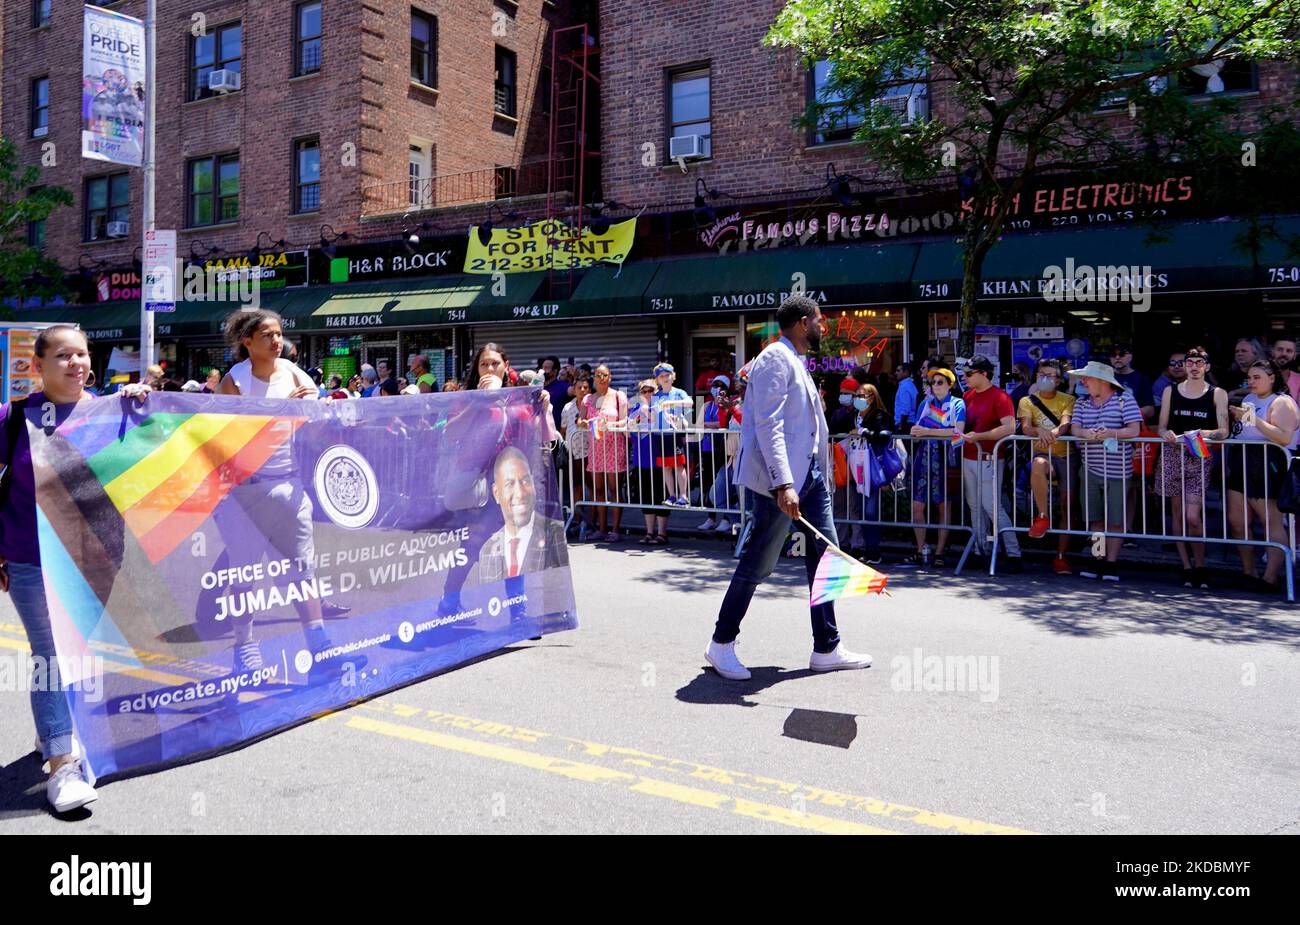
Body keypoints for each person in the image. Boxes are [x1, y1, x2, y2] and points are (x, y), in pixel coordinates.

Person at [0, 326, 150, 812]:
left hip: (97, 558)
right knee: (52, 655)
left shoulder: (112, 410)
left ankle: (55, 733)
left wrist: (142, 402)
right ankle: (63, 767)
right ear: (38, 365)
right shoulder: (13, 418)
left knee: (77, 652)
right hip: (32, 559)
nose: (75, 363)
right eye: (63, 356)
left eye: (82, 354)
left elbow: (151, 461)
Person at [707, 295, 872, 681]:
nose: (823, 327)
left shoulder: (794, 360)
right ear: (802, 322)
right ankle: (721, 642)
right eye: (818, 320)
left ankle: (827, 647)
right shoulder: (774, 360)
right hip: (778, 483)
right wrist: (783, 483)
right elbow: (769, 425)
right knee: (758, 561)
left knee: (827, 555)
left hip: (808, 478)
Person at [1156, 346, 1229, 590]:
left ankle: (1201, 565)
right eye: (1190, 363)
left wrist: (1201, 433)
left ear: (1207, 367)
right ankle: (1187, 567)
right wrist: (1165, 433)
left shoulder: (1218, 393)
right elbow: (1162, 426)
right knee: (1176, 513)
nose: (1194, 367)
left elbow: (1224, 431)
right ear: (1184, 366)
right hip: (1172, 453)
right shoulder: (1170, 391)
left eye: (1199, 363)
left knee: (1193, 516)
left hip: (1198, 453)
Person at [1226, 358, 1299, 591]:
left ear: (1272, 378)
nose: (1251, 381)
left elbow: (1284, 437)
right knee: (1237, 520)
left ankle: (1271, 577)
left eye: (1257, 377)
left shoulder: (1282, 402)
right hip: (1242, 460)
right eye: (1249, 377)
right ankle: (1249, 572)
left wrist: (1252, 418)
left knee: (1270, 521)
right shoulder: (1249, 399)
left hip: (1267, 463)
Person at [1067, 360, 1144, 581]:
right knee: (1095, 519)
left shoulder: (1124, 400)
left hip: (1118, 471)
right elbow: (1075, 428)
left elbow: (1134, 430)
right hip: (1089, 468)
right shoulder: (1082, 403)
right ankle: (1097, 559)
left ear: (1102, 381)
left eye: (1087, 378)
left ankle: (1111, 563)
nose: (1083, 382)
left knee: (1116, 520)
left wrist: (1111, 433)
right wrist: (1086, 434)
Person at [960, 355, 1024, 571]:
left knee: (992, 506)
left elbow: (1009, 428)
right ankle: (981, 551)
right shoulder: (967, 396)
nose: (965, 377)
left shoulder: (1001, 397)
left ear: (984, 374)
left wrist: (980, 437)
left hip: (990, 457)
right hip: (969, 457)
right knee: (975, 506)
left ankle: (1014, 553)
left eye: (969, 374)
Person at [468, 447, 569, 583]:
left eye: (525, 481)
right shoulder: (488, 550)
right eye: (509, 484)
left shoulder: (555, 535)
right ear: (496, 493)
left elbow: (562, 596)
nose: (520, 493)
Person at [1019, 359, 1076, 575]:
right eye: (1041, 374)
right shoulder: (1026, 401)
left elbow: (1066, 422)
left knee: (1067, 506)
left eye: (1051, 375)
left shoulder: (1068, 399)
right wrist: (1038, 432)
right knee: (1038, 464)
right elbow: (1026, 427)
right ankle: (1042, 515)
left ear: (1059, 380)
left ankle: (1061, 556)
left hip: (1066, 455)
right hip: (1043, 453)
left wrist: (1054, 432)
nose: (1045, 378)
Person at [907, 367, 965, 567]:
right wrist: (916, 431)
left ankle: (940, 552)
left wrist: (927, 431)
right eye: (933, 382)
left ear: (950, 384)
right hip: (923, 457)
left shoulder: (958, 404)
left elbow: (958, 432)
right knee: (917, 505)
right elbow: (917, 430)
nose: (936, 386)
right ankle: (921, 548)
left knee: (944, 506)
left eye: (941, 382)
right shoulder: (925, 403)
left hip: (946, 458)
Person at [843, 382, 891, 564]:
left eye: (862, 396)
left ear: (872, 398)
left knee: (870, 511)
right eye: (857, 395)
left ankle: (873, 551)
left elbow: (884, 436)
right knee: (861, 510)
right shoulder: (855, 415)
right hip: (857, 466)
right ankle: (865, 548)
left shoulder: (879, 415)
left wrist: (862, 432)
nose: (858, 399)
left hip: (872, 467)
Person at [580, 365, 628, 542]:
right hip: (596, 449)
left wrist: (610, 425)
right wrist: (584, 423)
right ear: (594, 377)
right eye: (598, 375)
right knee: (598, 490)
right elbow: (581, 418)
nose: (601, 378)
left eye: (605, 375)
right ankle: (601, 529)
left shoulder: (618, 396)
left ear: (610, 377)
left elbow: (624, 420)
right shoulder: (588, 398)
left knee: (615, 490)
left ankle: (615, 529)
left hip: (615, 447)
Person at [629, 380, 669, 543]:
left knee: (661, 494)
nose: (647, 394)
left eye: (650, 391)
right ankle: (649, 532)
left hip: (660, 458)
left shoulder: (661, 407)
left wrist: (649, 411)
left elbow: (665, 426)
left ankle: (662, 533)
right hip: (641, 458)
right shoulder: (635, 410)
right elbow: (628, 431)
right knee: (645, 495)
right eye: (644, 391)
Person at [650, 362, 692, 506]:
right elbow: (654, 415)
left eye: (667, 375)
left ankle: (683, 496)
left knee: (679, 466)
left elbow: (690, 402)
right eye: (661, 376)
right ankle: (672, 495)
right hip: (660, 435)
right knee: (666, 467)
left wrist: (671, 404)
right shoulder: (656, 395)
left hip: (675, 435)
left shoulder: (679, 392)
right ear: (657, 380)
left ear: (673, 376)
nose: (665, 378)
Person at [696, 374, 734, 531]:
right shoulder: (706, 405)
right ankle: (710, 517)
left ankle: (727, 518)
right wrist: (709, 425)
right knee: (708, 484)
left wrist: (708, 424)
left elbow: (723, 423)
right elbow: (698, 424)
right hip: (707, 449)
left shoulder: (728, 404)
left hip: (723, 449)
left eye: (720, 385)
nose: (716, 388)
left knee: (725, 484)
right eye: (714, 385)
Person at [560, 375, 594, 540]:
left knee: (593, 486)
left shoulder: (592, 405)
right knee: (576, 487)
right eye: (579, 387)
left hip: (589, 452)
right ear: (573, 390)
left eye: (585, 387)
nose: (582, 390)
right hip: (572, 452)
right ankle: (578, 519)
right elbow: (563, 429)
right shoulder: (567, 407)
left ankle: (593, 521)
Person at [1108, 344, 1155, 422]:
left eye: (1121, 354)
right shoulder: (1103, 377)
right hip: (1106, 423)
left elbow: (1150, 411)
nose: (1117, 357)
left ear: (1130, 357)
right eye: (1113, 355)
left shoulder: (1142, 378)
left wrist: (1127, 414)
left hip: (1132, 424)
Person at [1227, 338, 1265, 404]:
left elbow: (1264, 391)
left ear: (1255, 353)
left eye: (1243, 351)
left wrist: (1235, 392)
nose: (1239, 354)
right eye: (1237, 351)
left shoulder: (1265, 373)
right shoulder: (1229, 375)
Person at [541, 356, 570, 431]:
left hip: (555, 434)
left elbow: (576, 390)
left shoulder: (563, 386)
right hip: (539, 434)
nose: (543, 370)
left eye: (547, 368)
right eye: (543, 367)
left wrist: (576, 376)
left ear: (555, 371)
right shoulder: (537, 387)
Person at [1270, 335, 1300, 399]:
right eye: (1279, 350)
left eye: (1289, 351)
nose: (1284, 354)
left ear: (1295, 355)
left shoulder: (1299, 380)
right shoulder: (1260, 377)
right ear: (1272, 352)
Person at [893, 363, 919, 430]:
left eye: (898, 371)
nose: (896, 373)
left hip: (905, 424)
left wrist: (900, 427)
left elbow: (905, 409)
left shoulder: (904, 386)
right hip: (909, 423)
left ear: (906, 372)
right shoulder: (911, 385)